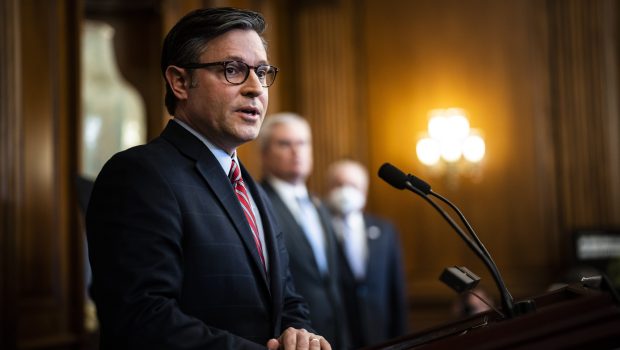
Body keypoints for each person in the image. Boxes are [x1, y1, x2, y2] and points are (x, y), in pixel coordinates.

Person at [86, 8, 331, 350]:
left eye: (261, 72)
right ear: (180, 82)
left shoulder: (251, 188)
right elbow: (142, 318)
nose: (255, 88)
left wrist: (300, 333)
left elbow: (287, 300)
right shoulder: (140, 175)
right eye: (232, 70)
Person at [258, 113, 350, 349]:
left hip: (334, 337)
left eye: (302, 143)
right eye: (284, 144)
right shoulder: (256, 203)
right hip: (292, 339)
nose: (296, 151)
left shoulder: (320, 206)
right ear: (264, 154)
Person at [325, 159, 409, 348]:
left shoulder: (385, 230)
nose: (345, 191)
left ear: (364, 190)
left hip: (380, 335)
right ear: (328, 188)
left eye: (353, 185)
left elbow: (396, 289)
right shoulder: (318, 230)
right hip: (336, 336)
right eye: (339, 184)